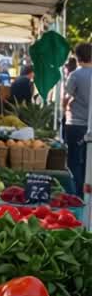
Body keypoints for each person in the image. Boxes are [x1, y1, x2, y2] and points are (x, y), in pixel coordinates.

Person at [62, 43, 92, 190]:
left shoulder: (75, 75)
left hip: (75, 123)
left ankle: (77, 192)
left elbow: (66, 97)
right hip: (90, 124)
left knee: (73, 160)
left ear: (77, 56)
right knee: (88, 161)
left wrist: (66, 105)